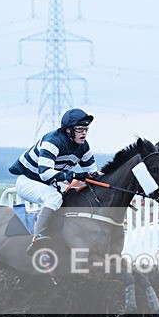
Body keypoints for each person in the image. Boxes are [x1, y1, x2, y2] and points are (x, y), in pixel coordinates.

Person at [9, 108, 99, 256]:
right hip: (28, 180)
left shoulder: (84, 146)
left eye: (86, 129)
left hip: (48, 182)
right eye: (80, 129)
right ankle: (37, 238)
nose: (84, 133)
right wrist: (75, 175)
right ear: (68, 130)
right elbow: (45, 174)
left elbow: (92, 173)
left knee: (75, 194)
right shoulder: (53, 141)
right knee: (54, 197)